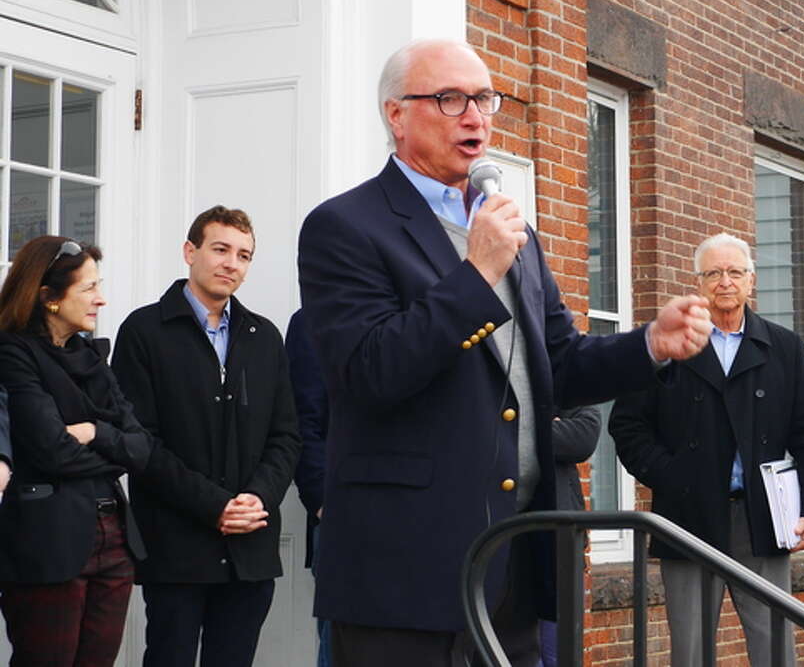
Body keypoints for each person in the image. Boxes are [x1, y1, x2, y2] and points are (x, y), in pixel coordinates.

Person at [297, 38, 713, 667]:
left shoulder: (514, 234)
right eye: (450, 98)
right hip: (406, 572)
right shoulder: (346, 227)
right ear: (396, 115)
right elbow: (370, 371)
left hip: (512, 556)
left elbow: (559, 365)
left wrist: (649, 344)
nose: (475, 116)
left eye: (484, 99)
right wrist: (476, 272)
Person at [609, 233, 804, 667]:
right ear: (699, 282)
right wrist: (672, 475)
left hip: (763, 516)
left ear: (752, 281)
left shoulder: (784, 347)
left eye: (734, 272)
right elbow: (627, 426)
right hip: (688, 515)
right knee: (690, 652)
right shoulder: (669, 345)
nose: (724, 282)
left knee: (774, 648)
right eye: (713, 273)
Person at [112, 207, 301, 667]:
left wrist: (258, 497)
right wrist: (214, 505)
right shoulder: (144, 331)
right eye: (220, 249)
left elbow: (286, 436)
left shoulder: (264, 336)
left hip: (249, 551)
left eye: (244, 255)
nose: (231, 263)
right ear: (189, 251)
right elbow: (140, 442)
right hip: (176, 549)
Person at [0, 236, 152, 665]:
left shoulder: (91, 356)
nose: (100, 300)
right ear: (48, 296)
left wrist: (92, 431)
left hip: (115, 540)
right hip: (50, 540)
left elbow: (141, 448)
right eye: (88, 288)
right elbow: (53, 452)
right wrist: (113, 446)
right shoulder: (13, 353)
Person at [537, 404, 602, 667]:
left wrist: (530, 430)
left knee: (558, 654)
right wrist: (549, 428)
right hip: (507, 539)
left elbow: (584, 437)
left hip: (558, 542)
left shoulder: (563, 377)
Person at [285, 308, 332, 667]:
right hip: (344, 517)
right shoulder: (314, 322)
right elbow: (302, 420)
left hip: (424, 521)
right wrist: (321, 503)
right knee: (343, 648)